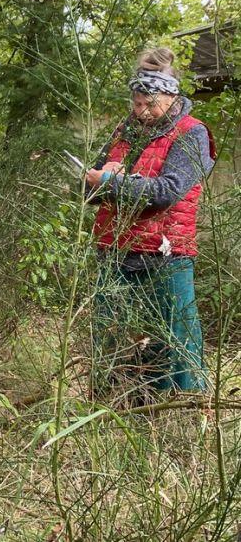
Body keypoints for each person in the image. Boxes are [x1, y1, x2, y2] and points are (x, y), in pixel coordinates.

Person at [86, 47, 215, 395]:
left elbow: (167, 192)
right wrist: (98, 178)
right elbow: (91, 190)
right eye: (136, 102)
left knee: (174, 339)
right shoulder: (124, 128)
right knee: (110, 334)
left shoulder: (193, 133)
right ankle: (112, 401)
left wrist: (112, 182)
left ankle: (181, 410)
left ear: (171, 97)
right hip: (114, 249)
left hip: (166, 256)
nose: (140, 111)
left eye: (148, 104)